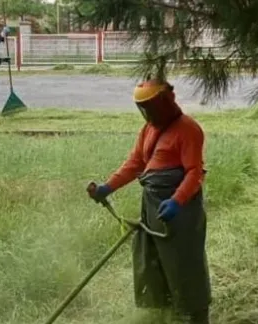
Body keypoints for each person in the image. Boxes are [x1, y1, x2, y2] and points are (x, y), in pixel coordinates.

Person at [87, 79, 212, 323]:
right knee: (152, 258)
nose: (147, 113)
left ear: (165, 102)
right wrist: (107, 187)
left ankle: (196, 315)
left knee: (184, 262)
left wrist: (177, 201)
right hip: (154, 204)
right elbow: (136, 163)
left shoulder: (188, 129)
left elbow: (194, 173)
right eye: (142, 108)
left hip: (181, 210)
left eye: (151, 107)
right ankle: (166, 310)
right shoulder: (148, 130)